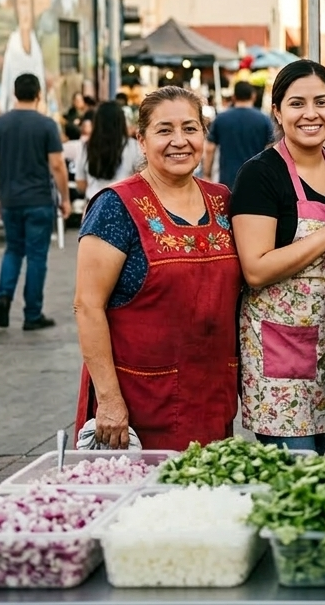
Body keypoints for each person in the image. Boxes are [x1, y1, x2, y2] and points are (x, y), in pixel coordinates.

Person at [73, 86, 240, 450]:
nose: (179, 141)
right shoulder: (116, 206)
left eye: (190, 128)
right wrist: (110, 400)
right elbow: (88, 306)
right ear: (142, 140)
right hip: (139, 405)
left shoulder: (223, 200)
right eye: (164, 130)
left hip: (212, 397)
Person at [232, 60, 325, 454]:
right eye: (297, 103)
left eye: (322, 102)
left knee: (316, 466)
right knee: (296, 476)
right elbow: (256, 269)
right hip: (278, 354)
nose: (311, 114)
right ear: (277, 111)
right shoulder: (260, 175)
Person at [0, 73, 70, 331]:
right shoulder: (46, 125)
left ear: (14, 93)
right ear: (38, 94)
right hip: (39, 199)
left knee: (13, 250)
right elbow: (57, 164)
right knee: (36, 256)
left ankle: (3, 297)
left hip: (10, 199)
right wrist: (64, 197)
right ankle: (32, 314)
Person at [0, 0, 46, 115]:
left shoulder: (36, 43)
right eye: (21, 2)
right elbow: (5, 86)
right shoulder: (13, 44)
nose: (25, 9)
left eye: (27, 1)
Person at [207, 80, 274, 189]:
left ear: (234, 97)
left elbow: (210, 148)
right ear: (253, 96)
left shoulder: (221, 118)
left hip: (228, 180)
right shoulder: (264, 119)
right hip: (257, 179)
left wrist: (207, 174)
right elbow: (272, 148)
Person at [79, 97, 143, 202]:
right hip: (124, 205)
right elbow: (141, 181)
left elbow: (80, 183)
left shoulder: (86, 147)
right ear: (121, 122)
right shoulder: (133, 147)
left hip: (93, 205)